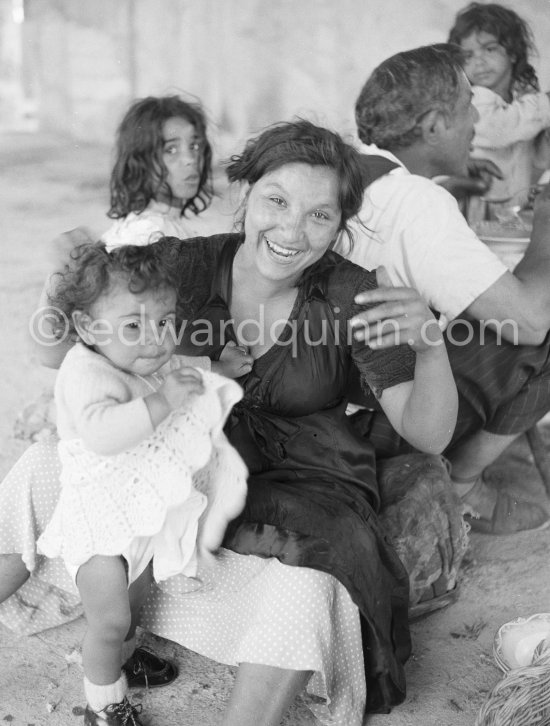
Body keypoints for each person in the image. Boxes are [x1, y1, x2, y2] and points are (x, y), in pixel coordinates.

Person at [0, 120, 458, 725]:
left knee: (309, 586)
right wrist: (66, 277)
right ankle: (127, 623)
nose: (292, 230)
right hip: (179, 463)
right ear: (245, 196)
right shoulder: (181, 266)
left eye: (320, 215)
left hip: (304, 484)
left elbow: (427, 434)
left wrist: (431, 348)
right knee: (41, 469)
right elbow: (57, 350)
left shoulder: (351, 294)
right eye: (277, 201)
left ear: (341, 225)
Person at [334, 43, 550, 534]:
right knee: (540, 323)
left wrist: (448, 189)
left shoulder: (355, 170)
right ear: (433, 126)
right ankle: (463, 485)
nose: (477, 117)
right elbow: (532, 322)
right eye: (466, 105)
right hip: (379, 423)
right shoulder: (416, 202)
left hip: (329, 409)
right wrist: (546, 225)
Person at [35, 240, 247, 725]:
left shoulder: (144, 358)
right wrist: (160, 405)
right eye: (134, 325)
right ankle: (104, 703)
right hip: (98, 527)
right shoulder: (85, 371)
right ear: (88, 326)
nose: (155, 338)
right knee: (108, 620)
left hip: (140, 515)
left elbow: (180, 370)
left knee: (132, 602)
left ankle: (123, 658)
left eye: (166, 322)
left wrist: (218, 368)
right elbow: (102, 433)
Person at [15, 93, 228, 445]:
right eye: (171, 150)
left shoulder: (162, 225)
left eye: (196, 146)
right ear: (140, 161)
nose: (190, 160)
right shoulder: (150, 235)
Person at [448, 3, 550, 218]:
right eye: (468, 56)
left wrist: (545, 145)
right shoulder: (474, 99)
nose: (479, 61)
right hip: (476, 207)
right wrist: (545, 103)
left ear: (512, 53)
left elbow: (533, 161)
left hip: (514, 207)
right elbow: (501, 129)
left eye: (490, 49)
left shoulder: (519, 106)